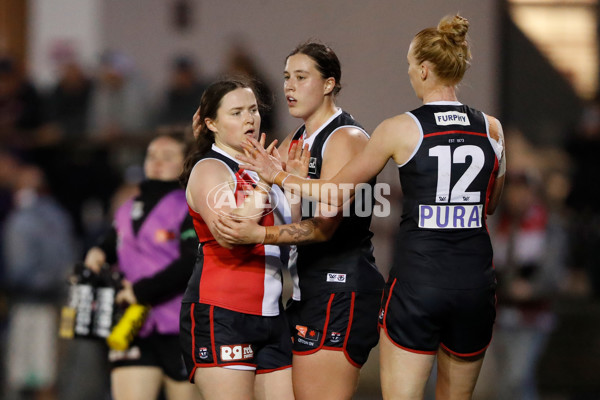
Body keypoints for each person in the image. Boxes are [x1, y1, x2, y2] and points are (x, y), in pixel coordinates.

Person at [238, 14, 506, 400]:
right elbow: (491, 203)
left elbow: (334, 194)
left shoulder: (398, 128)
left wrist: (280, 178)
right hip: (474, 278)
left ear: (425, 70)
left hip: (417, 279)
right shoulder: (492, 128)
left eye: (411, 66)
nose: (410, 74)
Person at [212, 41, 385, 400]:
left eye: (302, 77)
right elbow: (295, 215)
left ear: (328, 84)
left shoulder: (345, 136)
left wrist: (258, 232)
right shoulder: (297, 139)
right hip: (310, 286)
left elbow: (323, 228)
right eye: (287, 77)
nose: (289, 86)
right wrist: (287, 190)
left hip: (340, 285)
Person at [178, 79, 294, 400]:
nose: (249, 119)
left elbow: (292, 232)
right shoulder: (210, 168)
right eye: (237, 112)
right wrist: (266, 185)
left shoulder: (263, 168)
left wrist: (292, 181)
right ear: (211, 123)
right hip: (223, 313)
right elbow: (231, 234)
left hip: (272, 315)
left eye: (253, 110)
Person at [83, 130, 200, 400]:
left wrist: (140, 290)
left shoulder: (188, 205)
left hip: (179, 325)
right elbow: (112, 244)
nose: (157, 161)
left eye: (168, 156)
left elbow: (190, 262)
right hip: (133, 323)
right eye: (152, 155)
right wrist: (98, 252)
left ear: (185, 163)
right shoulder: (128, 207)